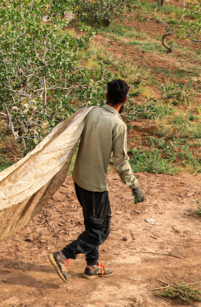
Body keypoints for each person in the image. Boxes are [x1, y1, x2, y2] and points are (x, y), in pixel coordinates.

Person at [49, 80, 145, 283]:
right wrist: (134, 185)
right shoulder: (118, 125)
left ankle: (92, 265)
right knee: (101, 230)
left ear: (106, 95)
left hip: (79, 178)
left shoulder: (91, 112)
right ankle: (63, 255)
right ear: (125, 100)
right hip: (95, 185)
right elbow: (120, 161)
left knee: (91, 224)